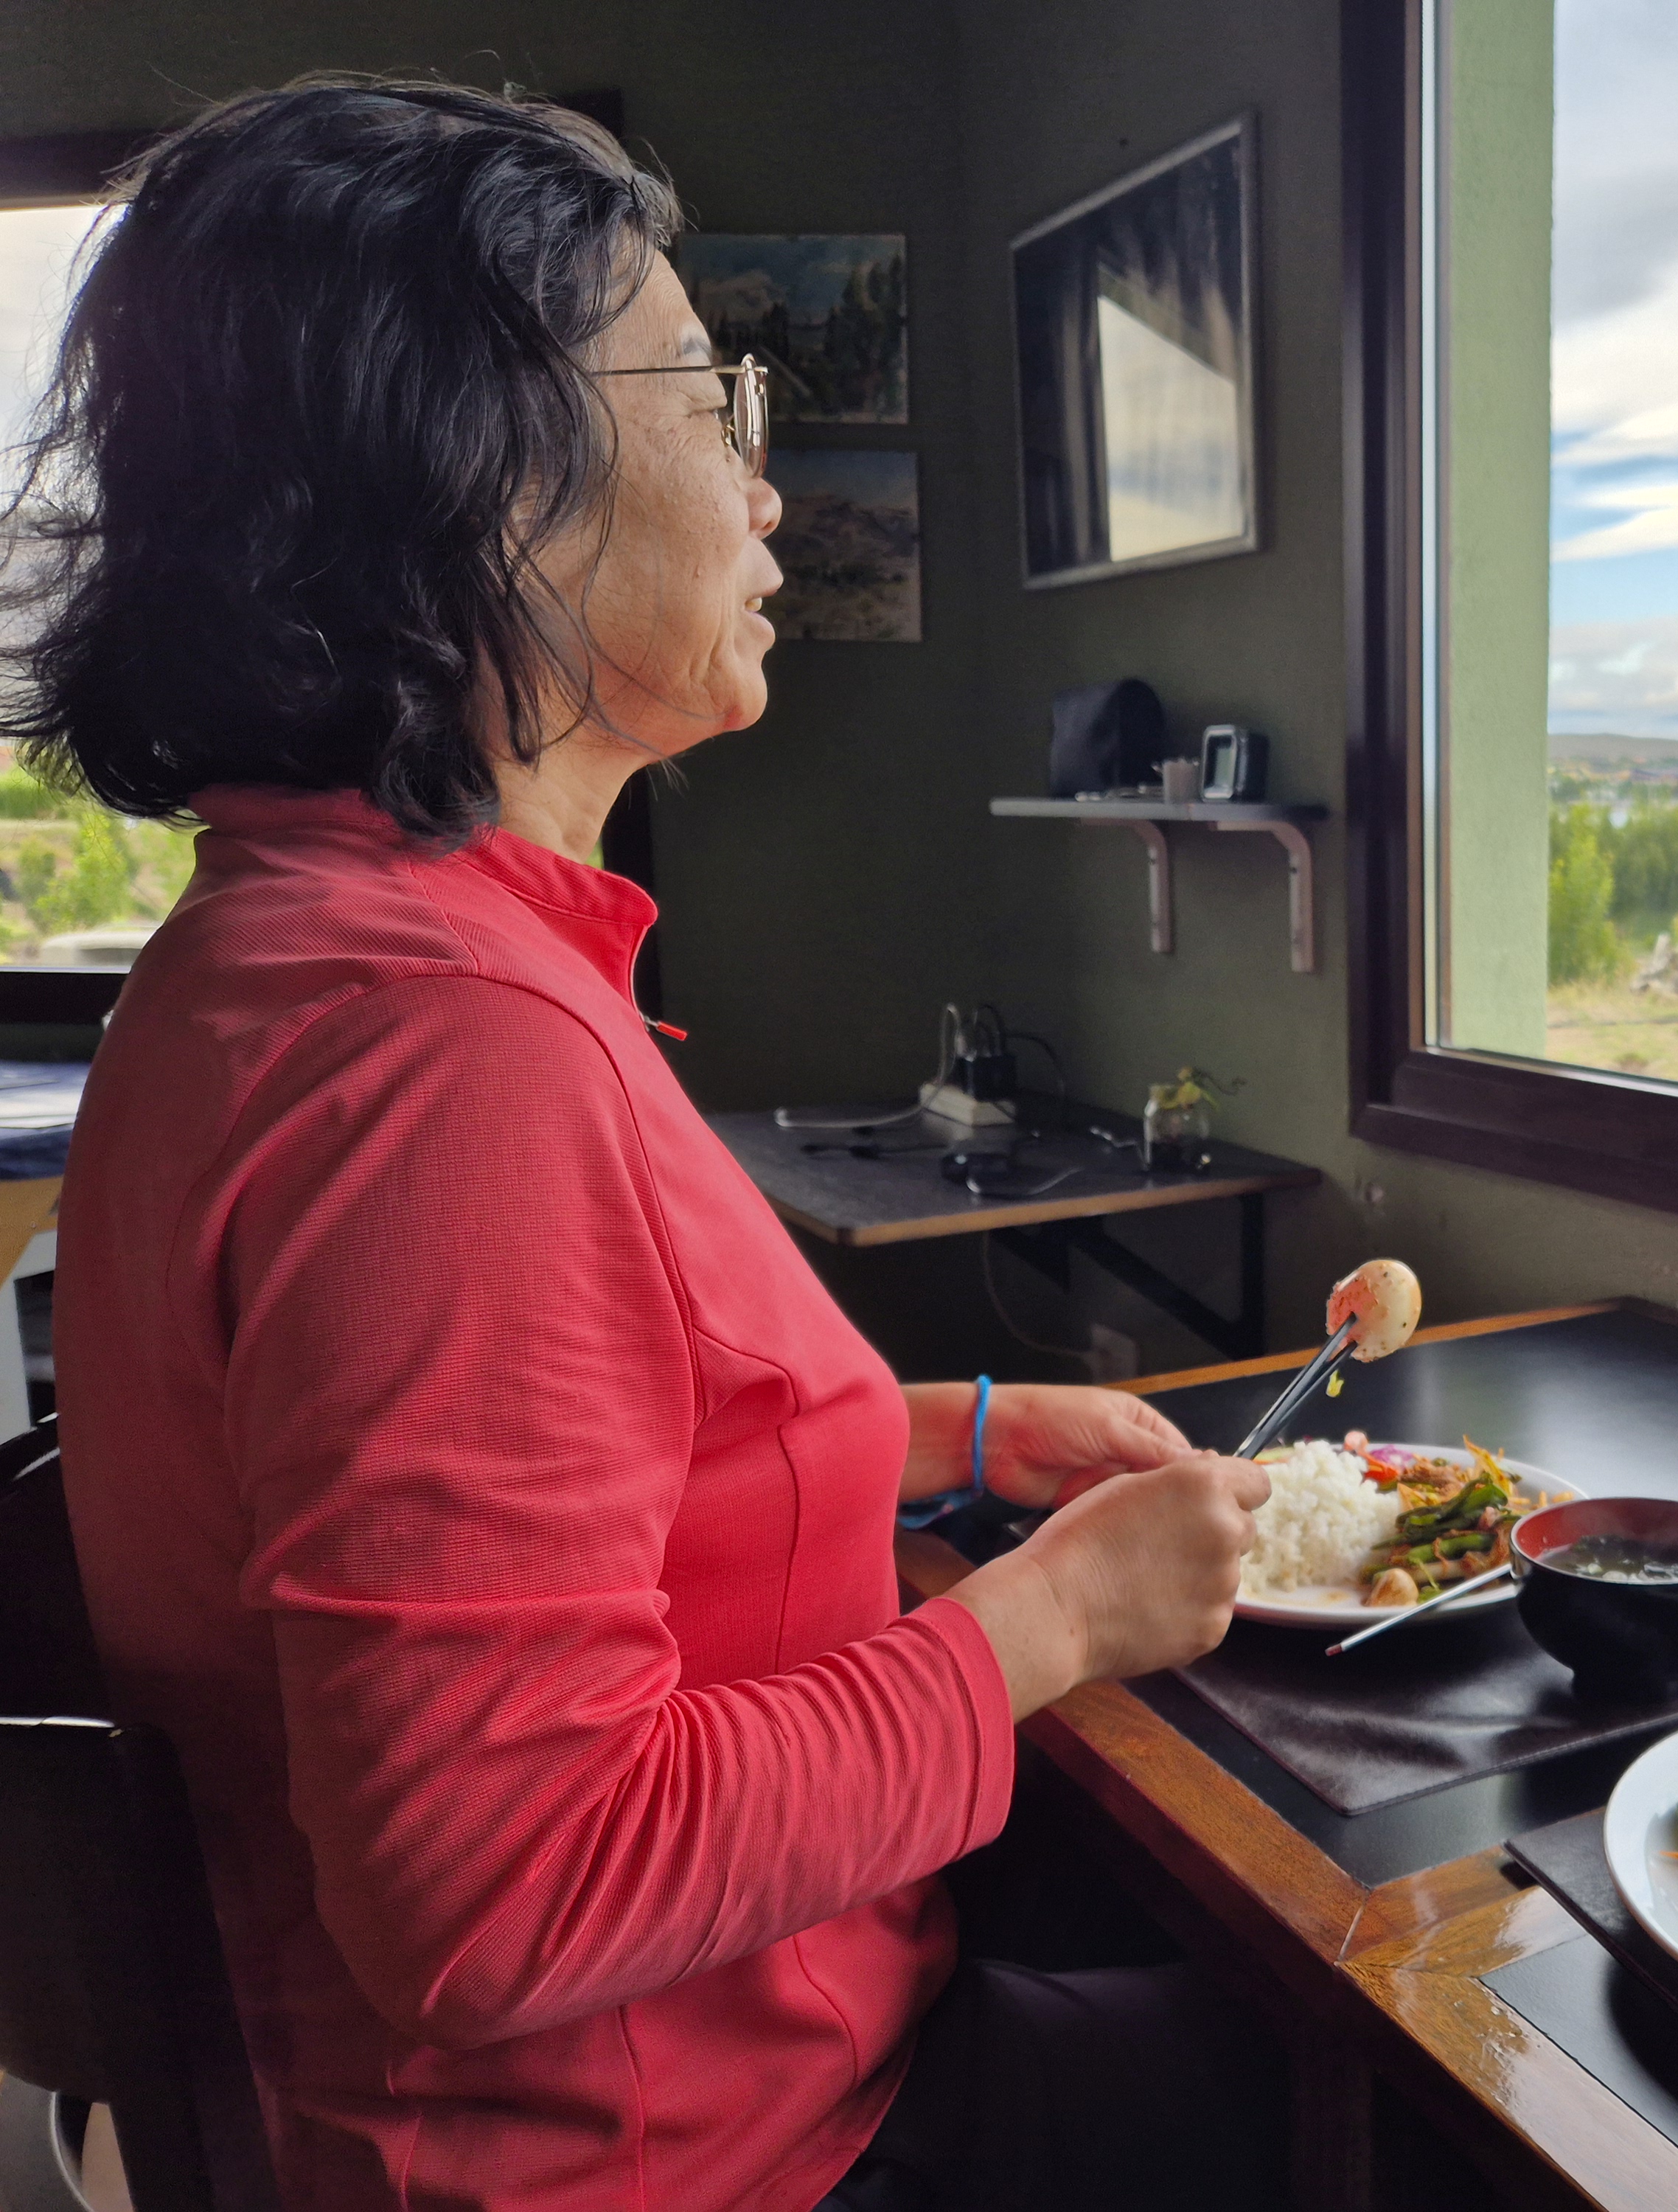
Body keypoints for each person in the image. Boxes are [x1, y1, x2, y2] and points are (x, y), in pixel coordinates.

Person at [7, 78, 1278, 2212]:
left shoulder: (293, 948)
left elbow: (546, 1474)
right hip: (687, 2158)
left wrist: (956, 1435)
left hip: (636, 2098)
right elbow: (507, 1894)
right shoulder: (438, 1054)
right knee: (1386, 2059)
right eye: (709, 395)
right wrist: (1055, 1624)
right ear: (486, 475)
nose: (768, 487)